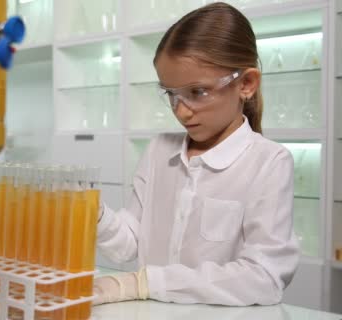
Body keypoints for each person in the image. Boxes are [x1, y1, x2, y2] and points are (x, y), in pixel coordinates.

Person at [94, 2, 299, 306]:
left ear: (245, 84)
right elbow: (128, 244)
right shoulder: (158, 151)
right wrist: (90, 210)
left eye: (197, 92)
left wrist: (144, 283)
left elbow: (264, 277)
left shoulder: (268, 162)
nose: (181, 110)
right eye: (171, 94)